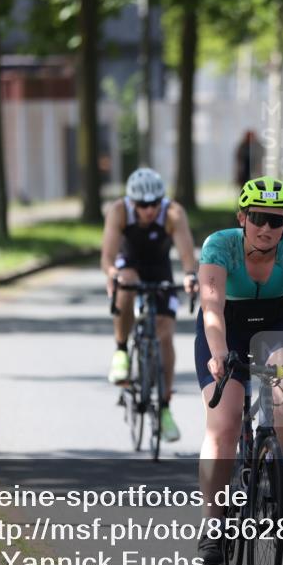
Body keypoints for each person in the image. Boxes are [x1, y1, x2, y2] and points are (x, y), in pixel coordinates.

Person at [195, 177, 283, 565]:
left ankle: (279, 462)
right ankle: (213, 523)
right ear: (242, 217)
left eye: (276, 221)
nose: (266, 228)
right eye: (257, 218)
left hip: (277, 321)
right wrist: (219, 353)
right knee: (223, 426)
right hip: (226, 326)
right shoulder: (219, 245)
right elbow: (211, 306)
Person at [100, 168, 198, 442]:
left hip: (159, 270)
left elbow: (188, 256)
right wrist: (112, 275)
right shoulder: (119, 211)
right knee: (126, 281)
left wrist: (190, 276)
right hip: (128, 266)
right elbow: (107, 257)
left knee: (165, 334)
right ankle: (121, 350)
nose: (150, 210)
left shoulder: (173, 214)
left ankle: (165, 408)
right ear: (132, 202)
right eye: (143, 205)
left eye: (155, 203)